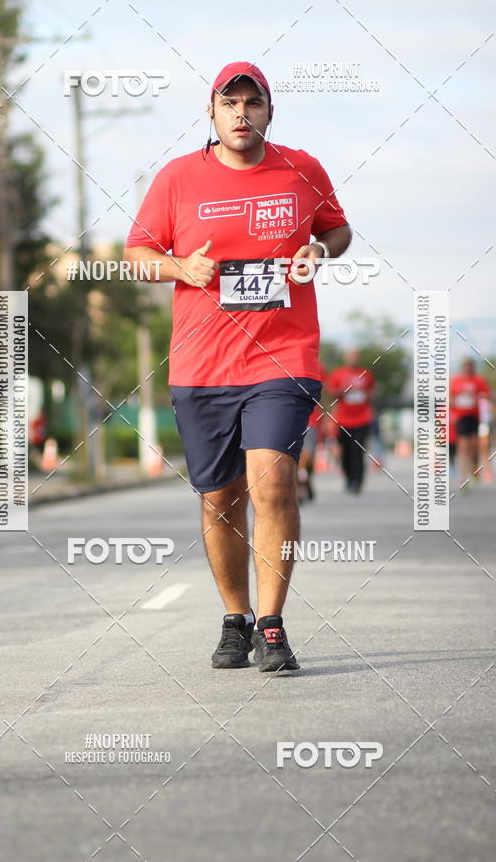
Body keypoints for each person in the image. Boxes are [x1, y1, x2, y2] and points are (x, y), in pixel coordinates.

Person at [125, 61, 351, 672]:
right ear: (213, 113)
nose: (242, 113)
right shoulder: (177, 179)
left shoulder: (302, 169)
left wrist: (317, 249)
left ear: (269, 112)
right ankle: (236, 618)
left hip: (283, 356)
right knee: (220, 498)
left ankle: (272, 624)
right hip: (201, 364)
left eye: (253, 103)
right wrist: (181, 269)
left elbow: (339, 231)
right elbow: (137, 254)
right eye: (231, 103)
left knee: (272, 482)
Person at [327, 350, 375, 493]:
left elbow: (372, 391)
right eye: (351, 357)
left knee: (358, 451)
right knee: (346, 452)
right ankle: (348, 478)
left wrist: (365, 394)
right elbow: (331, 391)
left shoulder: (366, 373)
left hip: (362, 419)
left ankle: (357, 482)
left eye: (356, 357)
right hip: (343, 420)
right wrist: (343, 391)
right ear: (346, 358)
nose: (353, 359)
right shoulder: (338, 373)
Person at [450, 358, 491, 487]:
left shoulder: (478, 380)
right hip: (461, 417)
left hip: (475, 416)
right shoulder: (456, 381)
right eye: (465, 366)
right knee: (463, 446)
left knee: (474, 446)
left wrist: (477, 397)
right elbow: (450, 397)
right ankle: (463, 477)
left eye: (470, 366)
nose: (467, 369)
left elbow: (487, 395)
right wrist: (453, 402)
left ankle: (474, 468)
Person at [297, 362, 327, 502]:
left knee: (308, 457)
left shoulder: (316, 365)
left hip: (312, 419)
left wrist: (327, 417)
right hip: (289, 418)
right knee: (296, 457)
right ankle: (299, 486)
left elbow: (325, 394)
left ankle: (306, 482)